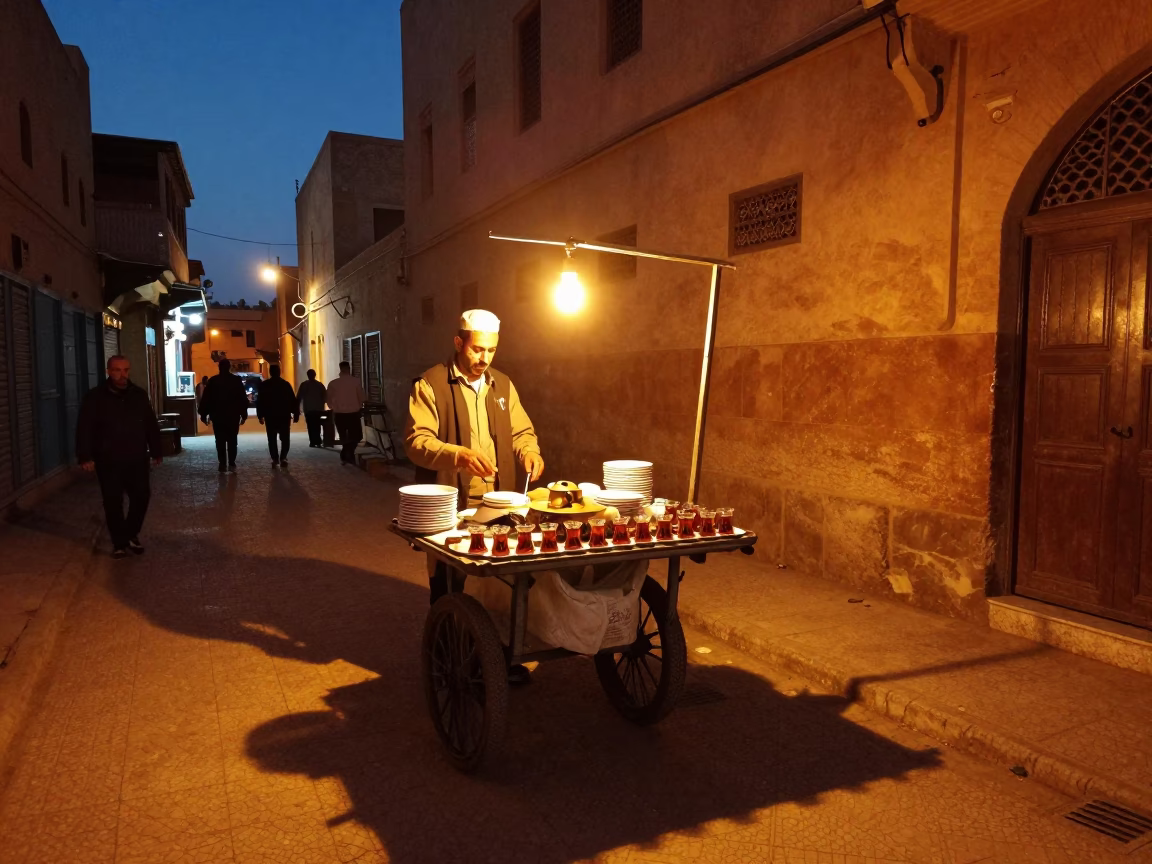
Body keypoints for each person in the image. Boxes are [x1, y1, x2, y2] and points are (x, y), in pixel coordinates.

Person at [75, 355, 162, 559]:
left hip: (136, 457)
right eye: (117, 370)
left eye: (125, 370)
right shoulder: (95, 397)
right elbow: (84, 428)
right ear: (108, 371)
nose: (122, 375)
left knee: (141, 497)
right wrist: (85, 456)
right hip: (109, 460)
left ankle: (130, 533)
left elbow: (149, 423)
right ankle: (119, 542)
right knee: (113, 502)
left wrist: (156, 450)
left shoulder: (138, 395)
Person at [198, 358, 249, 472]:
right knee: (232, 439)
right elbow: (242, 397)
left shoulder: (213, 381)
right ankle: (231, 462)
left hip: (218, 416)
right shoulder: (236, 381)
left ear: (219, 367)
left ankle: (222, 463)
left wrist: (203, 413)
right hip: (233, 416)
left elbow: (206, 399)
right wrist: (243, 414)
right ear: (229, 367)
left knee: (220, 440)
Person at [257, 364, 299, 467]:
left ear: (270, 372)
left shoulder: (264, 385)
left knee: (271, 438)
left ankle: (275, 459)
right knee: (285, 437)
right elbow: (292, 400)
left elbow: (260, 401)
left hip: (270, 416)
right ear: (279, 372)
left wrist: (260, 415)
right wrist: (295, 413)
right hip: (283, 415)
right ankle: (283, 457)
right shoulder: (285, 384)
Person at [326, 361, 365, 465]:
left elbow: (328, 399)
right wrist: (360, 405)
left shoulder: (333, 383)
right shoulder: (355, 382)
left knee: (343, 435)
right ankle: (349, 453)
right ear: (349, 368)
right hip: (353, 413)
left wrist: (333, 407)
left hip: (339, 414)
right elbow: (361, 396)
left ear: (340, 368)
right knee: (356, 436)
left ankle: (346, 452)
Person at [296, 369, 327, 448]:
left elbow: (299, 397)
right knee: (317, 424)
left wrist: (297, 408)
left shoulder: (304, 385)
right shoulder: (319, 385)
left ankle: (313, 441)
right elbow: (325, 396)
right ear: (315, 375)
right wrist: (322, 403)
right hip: (318, 409)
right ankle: (318, 441)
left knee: (310, 425)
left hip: (308, 409)